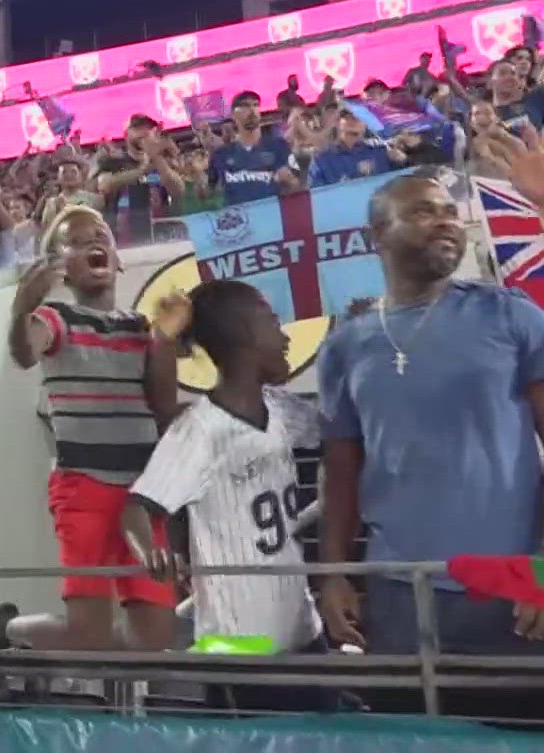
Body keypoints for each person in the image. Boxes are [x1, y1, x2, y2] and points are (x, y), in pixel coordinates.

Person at [317, 172, 544, 664]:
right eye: (424, 211)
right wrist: (333, 574)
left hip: (517, 586)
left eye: (450, 212)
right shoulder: (344, 346)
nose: (445, 221)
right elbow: (340, 475)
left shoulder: (510, 315)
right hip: (399, 593)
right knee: (416, 735)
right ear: (375, 236)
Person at [123, 282, 325, 686]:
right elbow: (136, 510)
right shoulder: (199, 430)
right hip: (240, 651)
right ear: (243, 333)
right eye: (273, 322)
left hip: (303, 630)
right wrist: (153, 552)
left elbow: (340, 438)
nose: (285, 336)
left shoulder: (283, 408)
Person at [5, 205, 179, 651]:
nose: (94, 243)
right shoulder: (56, 318)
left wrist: (165, 340)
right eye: (77, 242)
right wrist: (25, 303)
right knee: (89, 635)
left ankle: (99, 652)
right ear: (60, 267)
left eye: (100, 235)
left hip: (142, 493)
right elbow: (25, 354)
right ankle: (11, 630)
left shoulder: (140, 327)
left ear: (118, 256)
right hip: (83, 487)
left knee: (155, 640)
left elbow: (162, 406)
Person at [211, 92, 297, 205]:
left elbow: (302, 183)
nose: (252, 110)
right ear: (233, 114)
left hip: (272, 214)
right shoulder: (221, 154)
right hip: (239, 218)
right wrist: (199, 178)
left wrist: (289, 180)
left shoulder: (280, 146)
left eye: (255, 105)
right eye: (245, 106)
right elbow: (207, 193)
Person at [307, 110, 404, 186]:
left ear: (366, 124)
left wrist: (402, 160)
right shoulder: (322, 159)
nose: (353, 121)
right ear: (337, 122)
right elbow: (317, 195)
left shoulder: (380, 152)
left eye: (358, 117)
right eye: (347, 117)